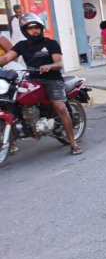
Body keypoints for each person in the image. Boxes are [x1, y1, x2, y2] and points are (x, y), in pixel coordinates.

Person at [0, 13, 82, 154]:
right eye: (30, 28)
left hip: (52, 79)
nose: (34, 31)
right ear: (25, 31)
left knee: (59, 107)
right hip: (32, 79)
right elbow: (7, 57)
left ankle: (73, 143)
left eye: (36, 27)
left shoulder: (51, 43)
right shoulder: (21, 45)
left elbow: (58, 62)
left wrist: (49, 66)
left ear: (41, 28)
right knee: (11, 101)